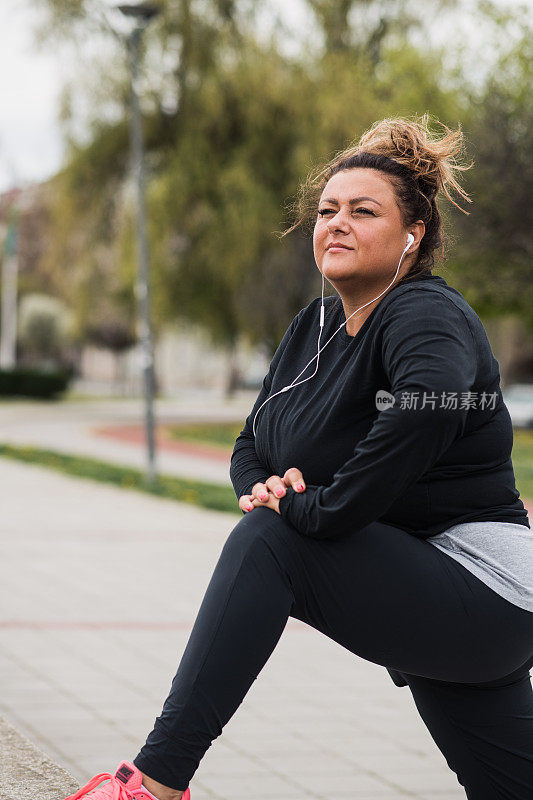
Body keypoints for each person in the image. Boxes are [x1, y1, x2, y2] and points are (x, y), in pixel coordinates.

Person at [64, 115, 533, 800]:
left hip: (485, 589)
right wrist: (264, 486)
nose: (335, 223)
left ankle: (154, 784)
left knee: (272, 542)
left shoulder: (424, 312)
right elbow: (251, 438)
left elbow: (423, 409)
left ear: (414, 235)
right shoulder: (310, 328)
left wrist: (312, 509)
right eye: (326, 211)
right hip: (428, 585)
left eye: (362, 211)